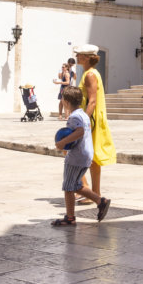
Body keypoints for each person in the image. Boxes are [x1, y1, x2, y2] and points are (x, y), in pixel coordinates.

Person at [51, 86, 111, 226]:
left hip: (76, 157)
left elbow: (79, 132)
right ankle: (100, 201)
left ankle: (70, 218)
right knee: (76, 184)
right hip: (85, 156)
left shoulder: (75, 116)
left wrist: (62, 143)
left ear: (65, 102)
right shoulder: (83, 114)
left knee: (68, 187)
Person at [73, 44, 116, 203]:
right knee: (90, 157)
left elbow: (92, 101)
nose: (77, 57)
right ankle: (92, 193)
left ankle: (88, 191)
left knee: (74, 152)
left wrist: (83, 121)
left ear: (86, 57)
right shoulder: (91, 73)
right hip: (92, 119)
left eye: (79, 55)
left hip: (90, 120)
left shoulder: (90, 75)